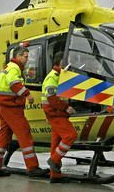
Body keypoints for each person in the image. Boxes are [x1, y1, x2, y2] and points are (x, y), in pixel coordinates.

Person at [0, 46, 48, 177]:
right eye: (26, 57)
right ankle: (32, 167)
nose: (27, 60)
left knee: (4, 137)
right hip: (11, 106)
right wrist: (28, 94)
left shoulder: (9, 67)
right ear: (19, 56)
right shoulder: (14, 68)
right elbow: (14, 83)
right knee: (24, 133)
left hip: (4, 106)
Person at [42, 53, 77, 183]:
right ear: (59, 62)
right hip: (56, 113)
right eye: (66, 61)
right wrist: (65, 107)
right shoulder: (53, 77)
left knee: (55, 144)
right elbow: (51, 98)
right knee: (70, 135)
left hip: (57, 113)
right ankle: (54, 160)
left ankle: (55, 175)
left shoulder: (59, 76)